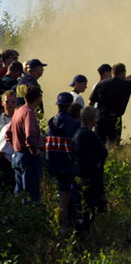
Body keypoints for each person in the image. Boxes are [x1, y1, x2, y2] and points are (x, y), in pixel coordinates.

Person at [46, 92, 81, 234]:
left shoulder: (51, 122)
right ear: (70, 105)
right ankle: (66, 226)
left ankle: (61, 226)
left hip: (54, 164)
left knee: (62, 196)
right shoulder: (74, 124)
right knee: (70, 197)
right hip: (69, 166)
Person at [72, 106, 108, 233]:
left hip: (77, 175)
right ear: (92, 120)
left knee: (80, 205)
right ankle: (84, 231)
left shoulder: (76, 133)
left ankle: (80, 228)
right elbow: (103, 152)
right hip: (89, 176)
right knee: (88, 205)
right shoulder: (90, 135)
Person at [6, 86, 44, 202]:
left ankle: (18, 212)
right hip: (28, 157)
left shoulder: (18, 110)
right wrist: (34, 151)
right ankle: (31, 213)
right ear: (37, 99)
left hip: (18, 155)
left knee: (20, 192)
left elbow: (8, 134)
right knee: (31, 193)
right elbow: (30, 135)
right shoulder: (29, 113)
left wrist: (16, 146)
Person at [0, 91, 17, 193]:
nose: (10, 104)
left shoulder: (19, 119)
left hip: (14, 157)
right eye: (7, 101)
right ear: (2, 103)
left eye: (13, 102)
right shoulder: (0, 119)